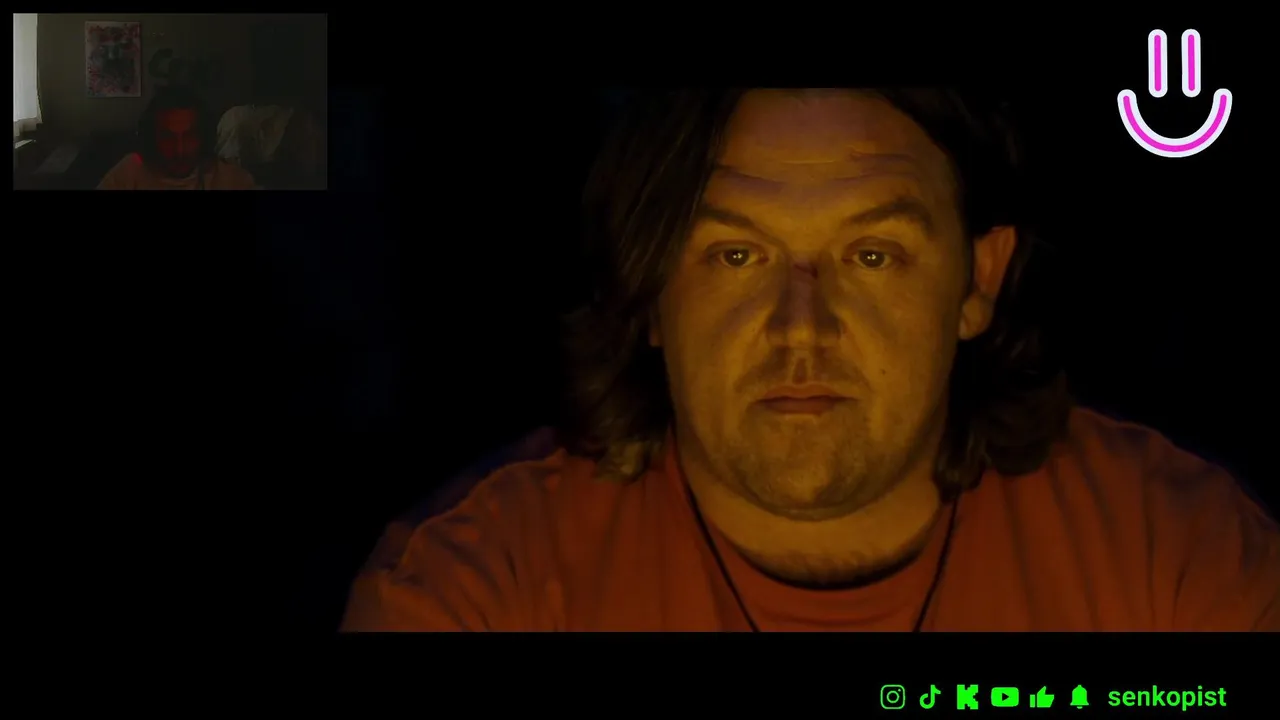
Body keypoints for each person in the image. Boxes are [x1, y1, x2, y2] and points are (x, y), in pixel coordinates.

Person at [341, 89, 1280, 631]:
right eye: (735, 256)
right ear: (652, 289)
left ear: (977, 281)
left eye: (872, 257)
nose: (803, 329)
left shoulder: (1172, 555)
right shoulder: (477, 589)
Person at [97, 85, 257, 190]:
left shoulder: (232, 180)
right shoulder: (129, 172)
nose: (179, 150)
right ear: (152, 137)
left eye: (189, 136)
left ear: (204, 136)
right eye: (167, 137)